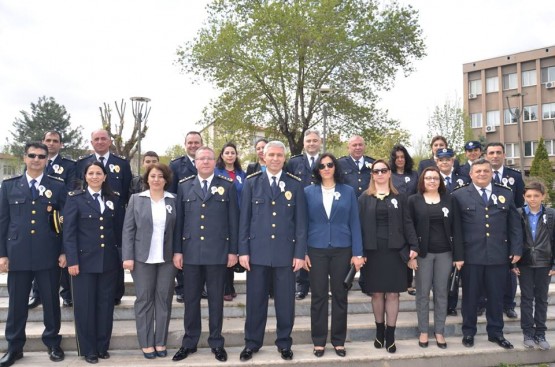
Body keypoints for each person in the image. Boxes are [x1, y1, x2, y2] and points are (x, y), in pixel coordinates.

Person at [238, 141, 307, 362]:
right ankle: (252, 343)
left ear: (284, 158)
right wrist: (243, 251)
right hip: (257, 253)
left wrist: (299, 253)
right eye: (271, 155)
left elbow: (301, 223)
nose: (275, 159)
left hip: (285, 254)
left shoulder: (295, 184)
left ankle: (284, 343)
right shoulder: (251, 183)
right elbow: (244, 220)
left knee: (285, 302)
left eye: (279, 155)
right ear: (264, 157)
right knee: (255, 301)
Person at [0, 142, 67, 366]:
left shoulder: (57, 186)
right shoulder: (9, 186)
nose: (36, 159)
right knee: (17, 304)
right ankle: (15, 347)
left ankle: (53, 343)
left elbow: (64, 223)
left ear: (47, 159)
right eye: (32, 155)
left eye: (41, 156)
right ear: (24, 158)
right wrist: (2, 254)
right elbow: (3, 222)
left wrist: (64, 251)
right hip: (17, 254)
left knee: (50, 302)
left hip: (47, 253)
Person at [172, 146, 239, 363]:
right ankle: (189, 341)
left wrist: (233, 251)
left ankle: (216, 342)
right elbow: (179, 222)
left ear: (214, 161)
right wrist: (177, 251)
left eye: (209, 158)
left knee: (215, 301)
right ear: (196, 162)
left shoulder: (226, 186)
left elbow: (233, 221)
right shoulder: (184, 186)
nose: (205, 162)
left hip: (218, 252)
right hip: (190, 253)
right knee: (191, 300)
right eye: (201, 159)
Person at [452, 158, 522, 349]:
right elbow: (455, 230)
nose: (482, 174)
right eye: (478, 171)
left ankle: (496, 333)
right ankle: (468, 332)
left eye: (485, 171)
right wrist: (457, 255)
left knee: (496, 296)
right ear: (471, 174)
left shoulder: (505, 194)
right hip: (471, 256)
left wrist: (516, 249)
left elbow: (514, 225)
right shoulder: (459, 195)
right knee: (470, 297)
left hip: (498, 255)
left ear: (492, 173)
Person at [303, 153, 364, 358]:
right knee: (318, 296)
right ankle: (318, 341)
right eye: (322, 166)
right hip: (316, 249)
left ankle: (338, 340)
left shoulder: (347, 192)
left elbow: (355, 222)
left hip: (342, 249)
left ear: (335, 167)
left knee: (340, 296)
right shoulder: (308, 192)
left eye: (330, 165)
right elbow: (302, 224)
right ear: (317, 170)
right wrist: (302, 252)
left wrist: (357, 253)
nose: (326, 168)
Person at [63, 161, 122, 364]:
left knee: (105, 306)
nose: (95, 176)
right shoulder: (75, 199)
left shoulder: (113, 198)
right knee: (85, 306)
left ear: (105, 176)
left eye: (99, 173)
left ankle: (102, 346)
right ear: (85, 176)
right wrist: (72, 260)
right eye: (91, 173)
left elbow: (118, 231)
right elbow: (68, 233)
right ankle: (88, 349)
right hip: (83, 262)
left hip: (108, 262)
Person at [358, 159, 418, 354]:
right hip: (373, 252)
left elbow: (408, 223)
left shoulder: (400, 197)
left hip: (395, 252)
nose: (380, 174)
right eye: (376, 171)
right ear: (372, 175)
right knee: (376, 293)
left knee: (393, 293)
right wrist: (359, 252)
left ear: (390, 173)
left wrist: (414, 247)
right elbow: (357, 228)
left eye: (384, 170)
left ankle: (391, 335)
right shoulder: (364, 198)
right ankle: (379, 331)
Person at [122, 163, 177, 359]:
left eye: (160, 176)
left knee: (164, 300)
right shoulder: (136, 199)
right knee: (144, 300)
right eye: (153, 176)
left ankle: (160, 341)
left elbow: (178, 230)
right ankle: (146, 343)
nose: (156, 179)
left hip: (167, 260)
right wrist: (127, 257)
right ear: (147, 179)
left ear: (166, 180)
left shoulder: (174, 200)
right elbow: (128, 229)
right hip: (141, 259)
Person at [75, 129, 131, 305]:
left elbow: (127, 190)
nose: (100, 141)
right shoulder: (81, 163)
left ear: (110, 142)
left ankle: (116, 293)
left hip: (116, 216)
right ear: (91, 143)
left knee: (115, 252)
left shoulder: (121, 163)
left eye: (103, 139)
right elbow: (77, 188)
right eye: (96, 139)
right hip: (87, 217)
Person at [408, 166, 463, 349]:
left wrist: (458, 256)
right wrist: (411, 255)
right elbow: (409, 229)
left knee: (441, 293)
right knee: (422, 294)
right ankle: (424, 331)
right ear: (422, 181)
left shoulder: (450, 200)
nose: (432, 181)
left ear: (440, 182)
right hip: (423, 254)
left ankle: (439, 331)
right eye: (428, 178)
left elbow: (457, 228)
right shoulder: (413, 201)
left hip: (445, 254)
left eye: (435, 178)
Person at [28, 131, 76, 310]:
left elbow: (70, 191)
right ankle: (36, 294)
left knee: (62, 258)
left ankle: (66, 294)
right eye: (48, 140)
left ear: (61, 144)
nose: (51, 143)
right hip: (36, 219)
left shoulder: (69, 165)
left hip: (59, 217)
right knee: (36, 260)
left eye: (55, 141)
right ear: (43, 141)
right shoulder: (37, 161)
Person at [485, 142, 525, 319]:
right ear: (486, 156)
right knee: (483, 270)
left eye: (498, 152)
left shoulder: (514, 176)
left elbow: (518, 207)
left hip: (507, 232)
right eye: (491, 153)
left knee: (509, 271)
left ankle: (508, 304)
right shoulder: (481, 175)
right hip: (486, 232)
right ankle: (482, 302)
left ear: (504, 155)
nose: (495, 156)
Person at [514, 181, 555, 350]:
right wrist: (513, 263)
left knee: (542, 299)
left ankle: (540, 332)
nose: (532, 199)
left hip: (544, 263)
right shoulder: (518, 214)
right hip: (524, 263)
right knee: (526, 298)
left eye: (536, 196)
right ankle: (528, 333)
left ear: (543, 196)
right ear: (523, 197)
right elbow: (513, 239)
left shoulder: (551, 215)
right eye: (529, 196)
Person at [285, 130, 321, 300]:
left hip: (320, 210)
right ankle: (301, 284)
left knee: (317, 247)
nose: (312, 143)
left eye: (315, 140)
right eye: (309, 141)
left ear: (320, 142)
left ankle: (318, 283)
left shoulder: (326, 161)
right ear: (304, 143)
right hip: (298, 208)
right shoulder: (294, 162)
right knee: (300, 244)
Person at [434, 148, 469, 317]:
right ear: (437, 162)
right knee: (441, 272)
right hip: (439, 232)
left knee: (456, 270)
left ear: (453, 161)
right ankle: (441, 303)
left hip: (460, 229)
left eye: (448, 159)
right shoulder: (431, 180)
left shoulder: (463, 180)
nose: (445, 162)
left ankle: (452, 304)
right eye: (441, 160)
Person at [168, 131, 202, 303]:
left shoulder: (207, 161)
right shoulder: (176, 165)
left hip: (203, 216)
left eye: (196, 142)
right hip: (184, 214)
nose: (193, 145)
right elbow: (172, 193)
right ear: (185, 144)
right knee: (183, 253)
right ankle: (181, 288)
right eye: (190, 142)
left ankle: (200, 288)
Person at [215, 142, 246, 302]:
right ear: (222, 155)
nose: (230, 155)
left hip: (240, 217)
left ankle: (231, 285)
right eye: (227, 153)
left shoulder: (242, 174)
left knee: (235, 250)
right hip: (222, 218)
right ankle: (225, 287)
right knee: (226, 251)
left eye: (232, 153)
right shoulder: (216, 172)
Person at [389, 144, 418, 296]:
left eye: (402, 157)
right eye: (397, 157)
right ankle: (398, 281)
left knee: (410, 248)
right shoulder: (390, 175)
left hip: (413, 216)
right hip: (395, 216)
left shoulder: (414, 174)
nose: (400, 160)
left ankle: (409, 283)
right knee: (399, 248)